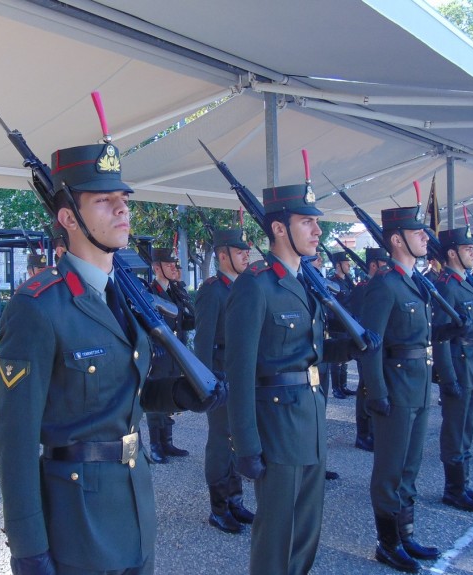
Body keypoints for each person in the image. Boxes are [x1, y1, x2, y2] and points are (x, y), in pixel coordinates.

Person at [0, 135, 222, 574]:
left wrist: (177, 394)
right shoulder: (38, 306)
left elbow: (119, 392)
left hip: (133, 503)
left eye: (123, 199)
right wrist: (28, 546)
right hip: (76, 518)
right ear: (68, 217)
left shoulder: (123, 295)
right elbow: (14, 439)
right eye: (104, 200)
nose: (122, 209)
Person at [225, 181, 368, 575]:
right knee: (277, 535)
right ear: (279, 228)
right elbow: (238, 373)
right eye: (307, 222)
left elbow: (308, 355)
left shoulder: (305, 280)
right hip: (276, 426)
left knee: (307, 529)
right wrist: (246, 445)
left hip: (309, 418)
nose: (318, 231)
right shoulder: (255, 286)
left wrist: (351, 348)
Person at [360, 207, 446, 572]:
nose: (426, 237)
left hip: (417, 386)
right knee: (390, 470)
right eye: (417, 232)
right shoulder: (385, 285)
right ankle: (387, 543)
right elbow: (370, 344)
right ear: (397, 239)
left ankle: (406, 533)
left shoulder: (413, 281)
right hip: (394, 389)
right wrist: (375, 392)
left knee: (410, 466)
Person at [193, 228, 254, 534]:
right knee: (220, 443)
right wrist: (206, 384)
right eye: (239, 250)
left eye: (246, 250)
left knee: (237, 440)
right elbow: (202, 343)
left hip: (241, 377)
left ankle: (236, 500)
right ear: (222, 255)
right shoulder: (212, 291)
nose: (246, 255)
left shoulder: (243, 288)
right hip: (220, 378)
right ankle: (219, 508)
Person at [432, 228, 473, 514]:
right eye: (468, 248)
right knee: (455, 430)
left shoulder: (464, 283)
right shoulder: (446, 285)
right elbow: (440, 337)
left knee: (467, 427)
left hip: (472, 362)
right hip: (457, 364)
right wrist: (447, 377)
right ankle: (453, 489)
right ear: (452, 253)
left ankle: (464, 484)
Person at [145, 247, 195, 462]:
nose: (174, 268)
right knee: (157, 398)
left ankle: (168, 443)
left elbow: (189, 321)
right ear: (157, 268)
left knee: (169, 396)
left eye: (174, 265)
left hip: (175, 354)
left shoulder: (175, 291)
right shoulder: (149, 292)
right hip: (159, 354)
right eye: (168, 265)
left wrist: (181, 289)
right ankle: (156, 446)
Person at [348, 247, 390, 453]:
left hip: (379, 346)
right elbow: (356, 319)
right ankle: (363, 434)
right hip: (365, 345)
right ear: (373, 265)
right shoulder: (362, 287)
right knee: (365, 387)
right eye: (383, 263)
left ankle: (374, 430)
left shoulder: (383, 286)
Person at [327, 252, 356, 399]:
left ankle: (344, 385)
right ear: (338, 265)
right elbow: (331, 306)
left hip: (348, 324)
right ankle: (336, 388)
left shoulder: (348, 281)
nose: (348, 265)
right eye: (346, 263)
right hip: (338, 324)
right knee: (337, 359)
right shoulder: (332, 282)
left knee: (345, 356)